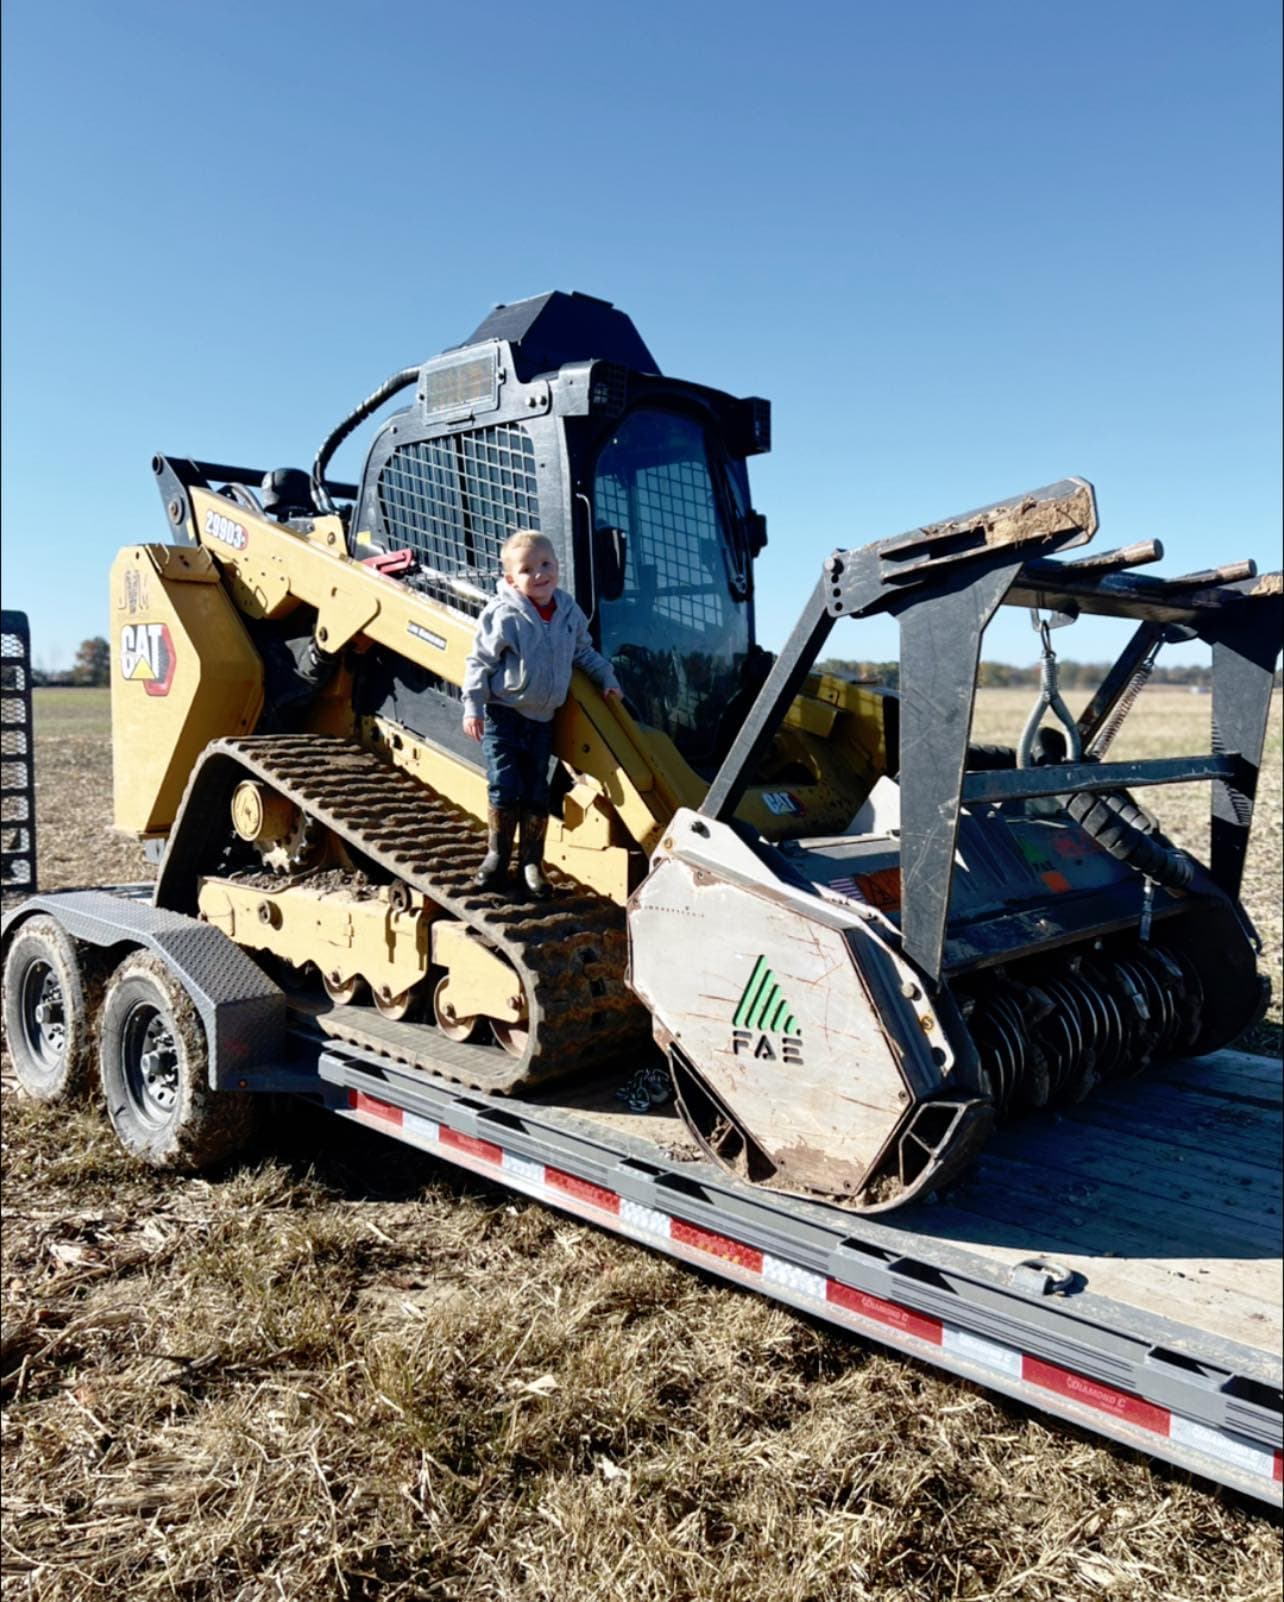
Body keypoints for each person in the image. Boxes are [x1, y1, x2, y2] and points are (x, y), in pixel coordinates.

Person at [462, 531, 623, 898]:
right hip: (504, 715)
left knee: (536, 791)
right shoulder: (502, 614)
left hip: (543, 719)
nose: (539, 574)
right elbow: (479, 662)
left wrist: (607, 676)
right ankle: (497, 857)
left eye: (546, 565)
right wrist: (473, 706)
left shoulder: (567, 612)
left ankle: (532, 863)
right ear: (510, 579)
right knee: (505, 785)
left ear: (557, 567)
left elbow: (583, 653)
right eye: (528, 569)